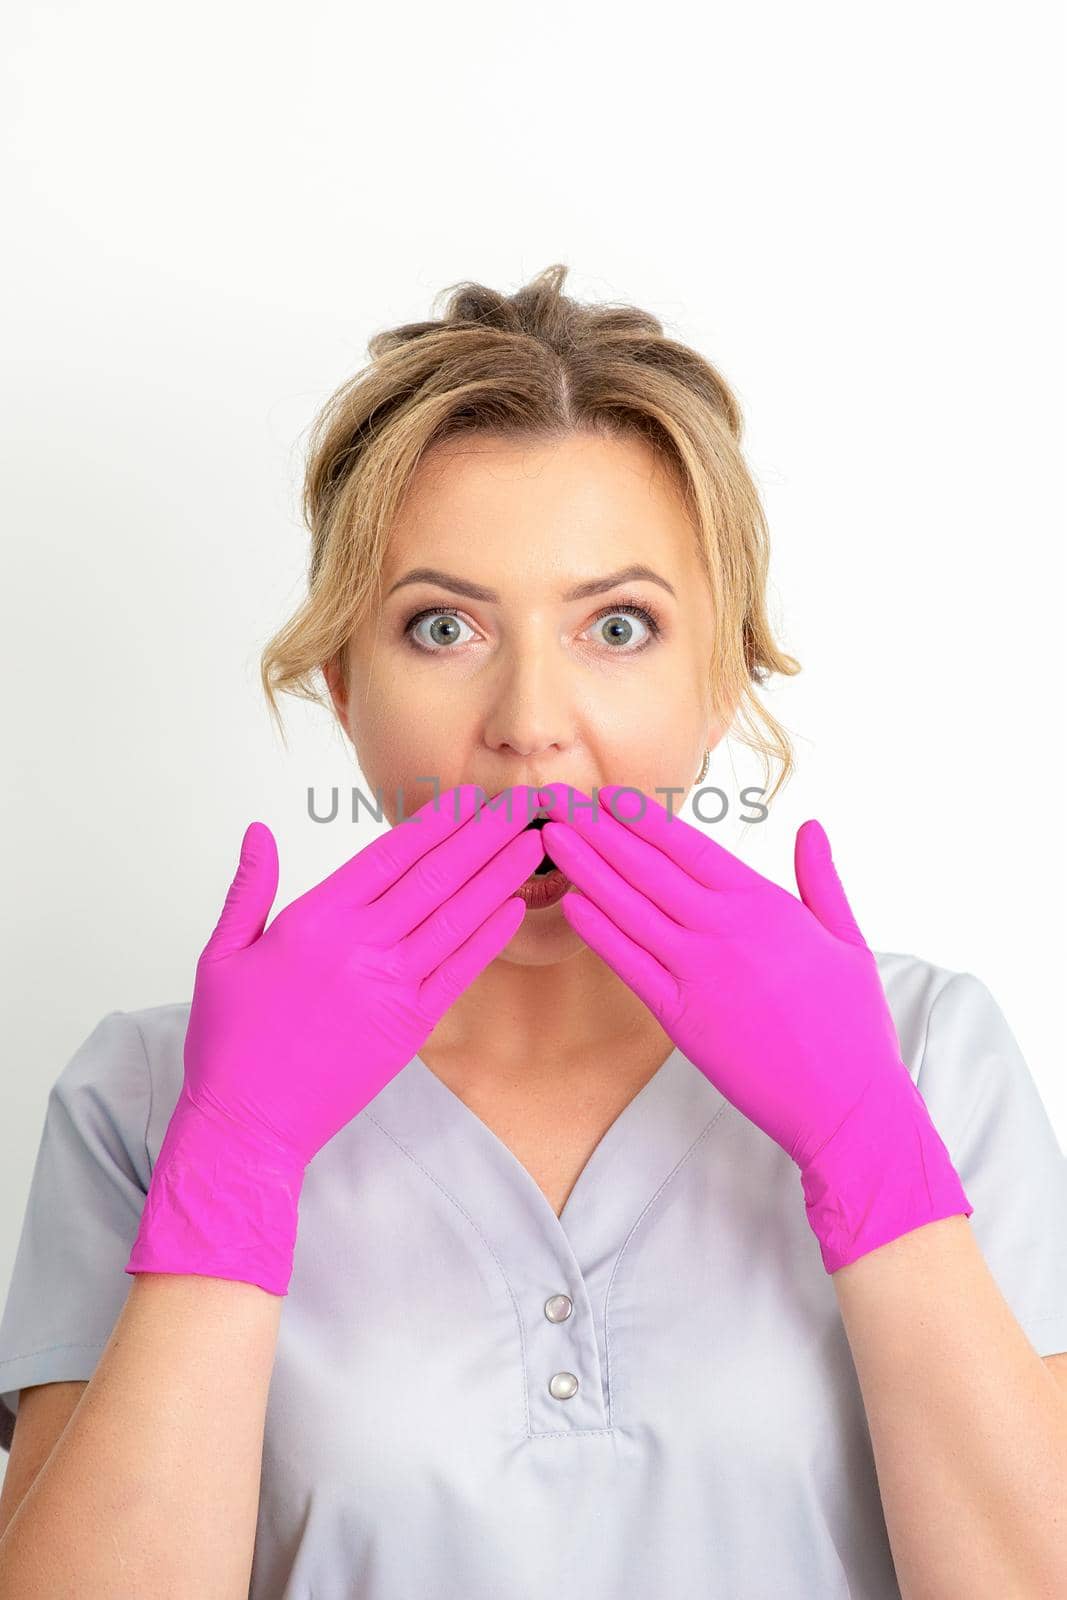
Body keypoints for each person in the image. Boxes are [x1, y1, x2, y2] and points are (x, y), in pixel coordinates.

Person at [1, 265, 1065, 1598]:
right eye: (441, 627)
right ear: (343, 683)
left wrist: (871, 1148)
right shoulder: (147, 1100)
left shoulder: (928, 1054)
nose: (530, 723)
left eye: (619, 626)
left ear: (720, 675)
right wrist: (236, 1166)